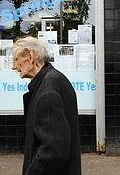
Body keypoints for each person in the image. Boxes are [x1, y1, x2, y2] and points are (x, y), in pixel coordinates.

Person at [12, 36, 81, 175]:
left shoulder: (47, 92)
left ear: (30, 56)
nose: (13, 66)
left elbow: (53, 151)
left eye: (16, 59)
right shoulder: (54, 78)